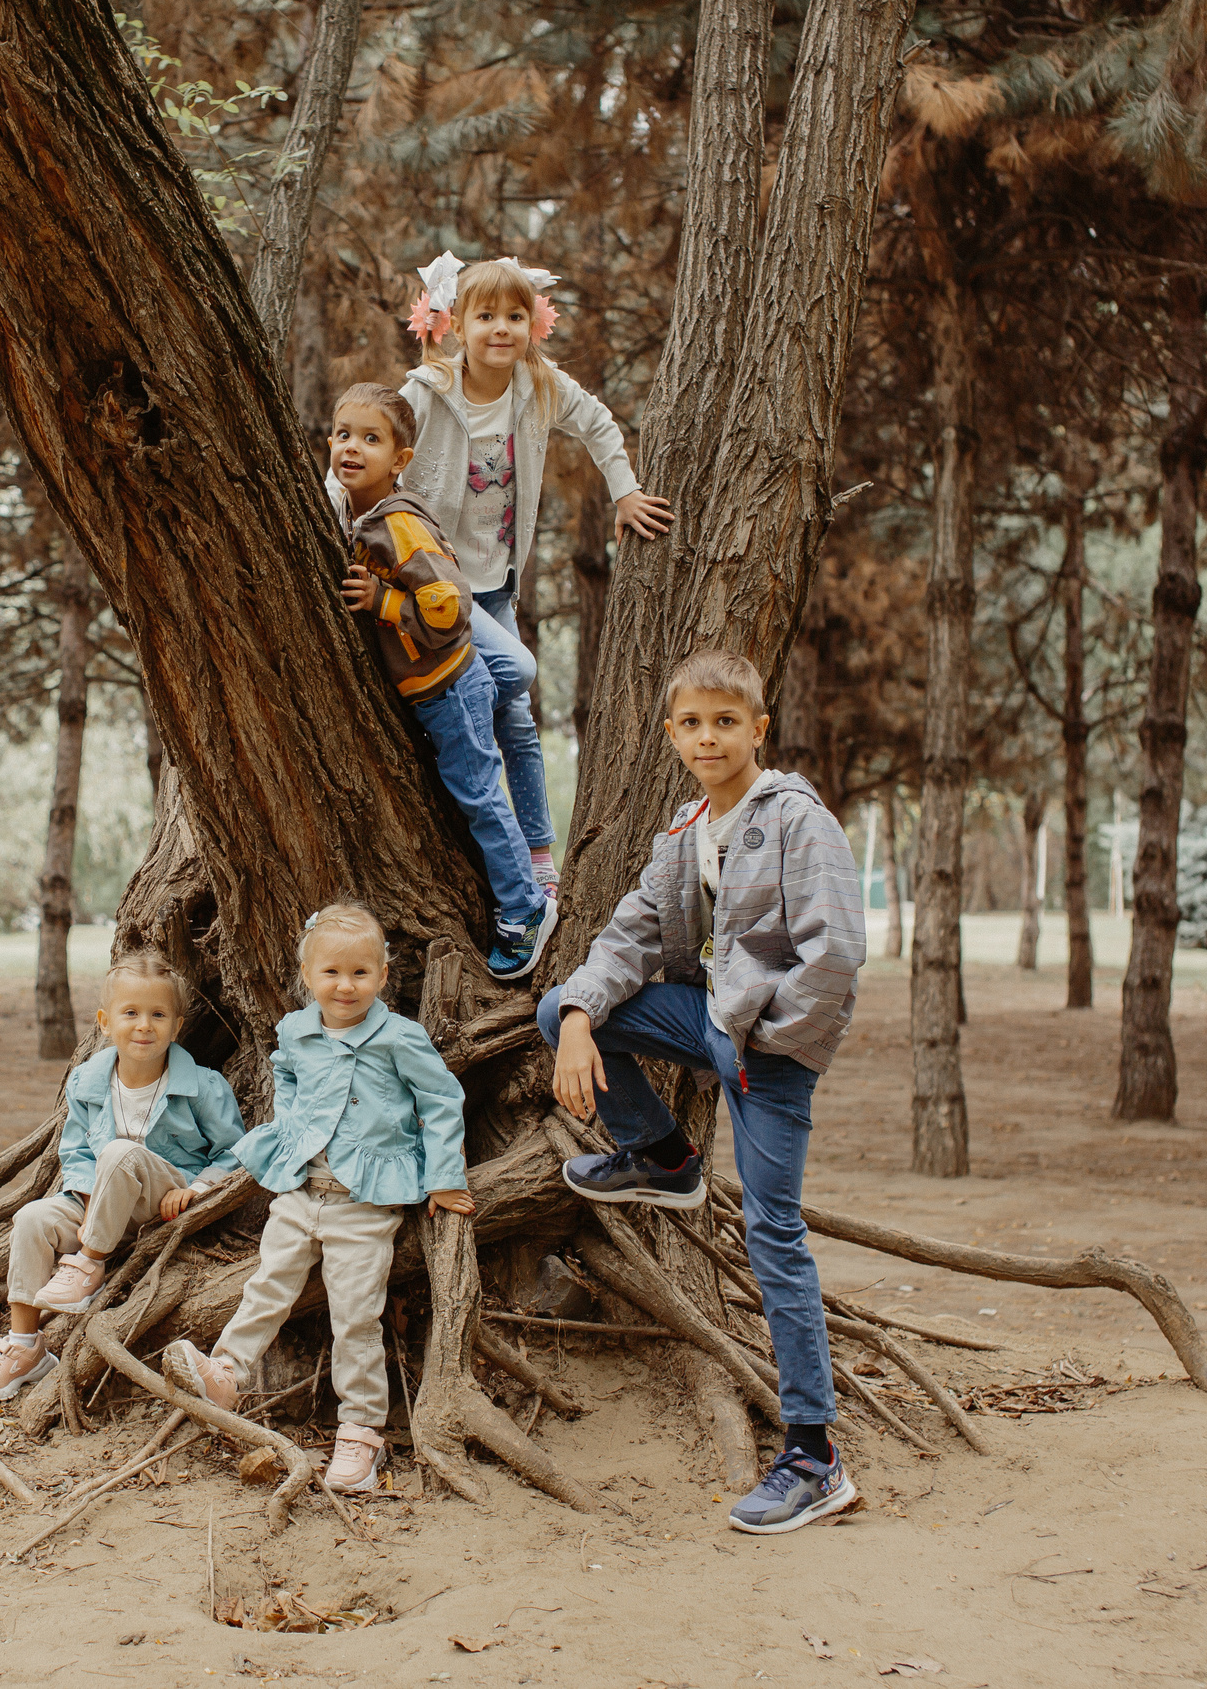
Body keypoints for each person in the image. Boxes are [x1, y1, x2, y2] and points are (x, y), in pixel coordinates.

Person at [538, 650, 867, 1534]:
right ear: (674, 733)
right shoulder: (685, 831)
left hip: (770, 1053)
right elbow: (629, 934)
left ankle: (813, 1454)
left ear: (759, 728)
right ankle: (666, 1155)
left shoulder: (799, 819)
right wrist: (576, 1017)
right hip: (712, 1022)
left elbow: (833, 955)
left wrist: (764, 1042)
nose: (707, 736)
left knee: (774, 1234)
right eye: (692, 722)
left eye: (726, 720)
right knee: (562, 1008)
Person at [330, 252, 674, 901]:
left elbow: (598, 423)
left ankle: (540, 850)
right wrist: (329, 517)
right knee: (506, 681)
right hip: (431, 577)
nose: (500, 328)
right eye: (485, 315)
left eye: (515, 316)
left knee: (515, 715)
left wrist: (625, 492)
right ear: (456, 322)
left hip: (493, 583)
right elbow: (363, 444)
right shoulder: (428, 390)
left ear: (533, 324)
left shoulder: (541, 388)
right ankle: (477, 804)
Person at [167, 901, 473, 1494]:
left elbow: (441, 1100)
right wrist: (292, 1131)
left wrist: (444, 1175)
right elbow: (283, 1073)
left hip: (366, 1201)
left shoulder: (400, 1039)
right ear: (307, 976)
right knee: (270, 1279)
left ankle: (360, 1432)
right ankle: (228, 1370)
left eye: (361, 973)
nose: (345, 985)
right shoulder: (296, 1031)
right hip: (303, 1191)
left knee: (356, 1314)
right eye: (331, 973)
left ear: (384, 976)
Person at [330, 380, 556, 980]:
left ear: (401, 460)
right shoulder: (361, 517)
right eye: (342, 434)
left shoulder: (397, 525)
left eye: (370, 439)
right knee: (471, 785)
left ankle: (526, 908)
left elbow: (448, 606)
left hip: (448, 687)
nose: (351, 447)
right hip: (443, 689)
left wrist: (383, 604)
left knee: (480, 795)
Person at [0, 952, 244, 1403]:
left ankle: (88, 1265)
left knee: (120, 1151)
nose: (144, 1025)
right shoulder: (87, 1083)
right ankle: (24, 1346)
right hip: (93, 1202)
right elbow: (73, 1151)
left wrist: (197, 1188)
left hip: (159, 1198)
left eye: (158, 1015)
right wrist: (88, 1198)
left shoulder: (204, 1086)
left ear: (177, 1026)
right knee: (32, 1218)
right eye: (130, 1013)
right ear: (105, 1022)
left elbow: (235, 1153)